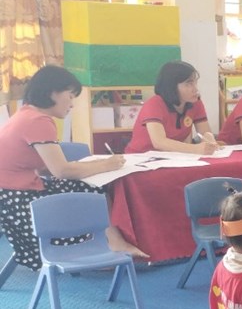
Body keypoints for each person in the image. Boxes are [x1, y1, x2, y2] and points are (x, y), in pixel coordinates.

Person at [0, 65, 146, 271]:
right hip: (22, 201)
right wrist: (107, 164)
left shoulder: (26, 114)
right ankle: (112, 243)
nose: (72, 104)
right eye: (70, 96)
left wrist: (91, 166)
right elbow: (61, 171)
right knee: (93, 187)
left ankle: (111, 242)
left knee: (86, 183)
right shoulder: (38, 121)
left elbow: (44, 169)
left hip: (11, 199)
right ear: (53, 93)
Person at [125, 60, 219, 154]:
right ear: (172, 86)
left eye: (195, 82)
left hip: (172, 157)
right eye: (188, 84)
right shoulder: (154, 104)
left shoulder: (195, 102)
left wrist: (209, 138)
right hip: (141, 157)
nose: (196, 89)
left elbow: (204, 132)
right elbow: (159, 142)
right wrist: (195, 149)